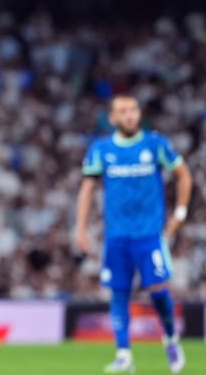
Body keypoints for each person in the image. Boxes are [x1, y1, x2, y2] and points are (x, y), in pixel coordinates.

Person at [75, 94, 192, 374]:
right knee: (118, 294)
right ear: (112, 118)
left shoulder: (155, 144)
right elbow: (87, 189)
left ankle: (170, 338)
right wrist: (80, 227)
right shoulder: (101, 150)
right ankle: (123, 354)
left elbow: (184, 175)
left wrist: (180, 214)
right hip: (116, 236)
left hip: (150, 235)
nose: (130, 115)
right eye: (123, 111)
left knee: (159, 292)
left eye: (134, 110)